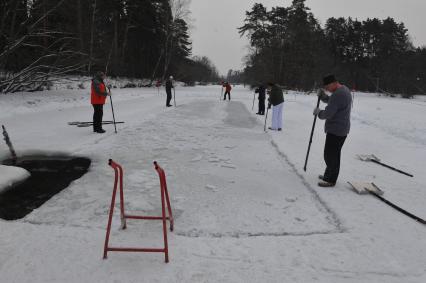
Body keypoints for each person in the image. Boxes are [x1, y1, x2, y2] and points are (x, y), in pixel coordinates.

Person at [313, 74, 352, 187]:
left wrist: (319, 113)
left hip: (336, 129)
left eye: (327, 87)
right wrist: (324, 97)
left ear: (333, 83)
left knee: (330, 155)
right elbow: (333, 102)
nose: (327, 89)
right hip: (341, 129)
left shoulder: (339, 94)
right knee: (334, 154)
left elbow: (329, 113)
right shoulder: (343, 89)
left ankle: (331, 180)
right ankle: (328, 175)